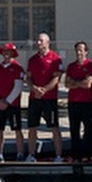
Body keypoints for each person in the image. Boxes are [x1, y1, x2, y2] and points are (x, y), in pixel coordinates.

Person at [25, 33, 64, 162]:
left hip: (49, 98)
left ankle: (58, 155)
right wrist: (34, 88)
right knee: (32, 127)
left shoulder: (55, 58)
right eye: (37, 41)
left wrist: (44, 89)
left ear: (48, 42)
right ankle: (31, 155)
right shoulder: (32, 60)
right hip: (34, 98)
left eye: (41, 41)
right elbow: (28, 77)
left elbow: (56, 78)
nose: (39, 43)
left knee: (54, 127)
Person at [63, 41, 92, 161]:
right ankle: (76, 156)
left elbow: (88, 84)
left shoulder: (91, 66)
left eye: (81, 50)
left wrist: (75, 82)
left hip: (86, 102)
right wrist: (79, 82)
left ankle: (89, 155)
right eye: (77, 50)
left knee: (89, 130)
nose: (79, 53)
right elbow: (67, 84)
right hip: (73, 102)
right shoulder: (71, 67)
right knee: (74, 130)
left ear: (86, 52)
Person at [0, 43, 25, 162]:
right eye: (5, 51)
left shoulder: (17, 68)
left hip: (13, 105)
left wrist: (7, 101)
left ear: (12, 53)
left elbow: (18, 87)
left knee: (17, 129)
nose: (6, 53)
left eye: (8, 51)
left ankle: (20, 153)